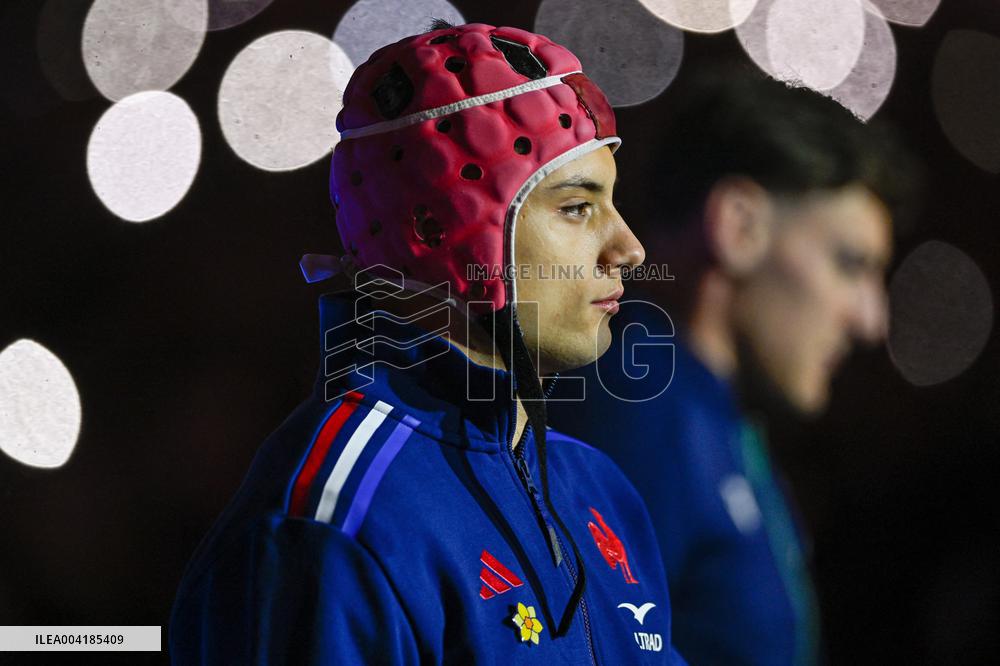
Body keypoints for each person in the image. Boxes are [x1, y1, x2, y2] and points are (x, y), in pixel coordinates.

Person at [169, 21, 687, 664]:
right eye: (577, 207)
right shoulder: (337, 524)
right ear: (440, 231)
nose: (628, 249)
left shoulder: (601, 491)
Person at [548, 71, 915, 665]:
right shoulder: (641, 416)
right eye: (850, 263)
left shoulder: (699, 411)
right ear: (738, 225)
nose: (871, 319)